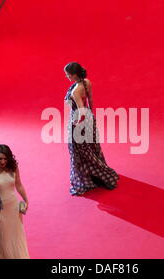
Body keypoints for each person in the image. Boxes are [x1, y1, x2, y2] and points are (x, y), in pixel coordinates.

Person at [63, 62, 119, 196]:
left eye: (68, 74)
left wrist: (76, 125)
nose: (67, 76)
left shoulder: (76, 91)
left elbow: (80, 110)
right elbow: (90, 101)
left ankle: (88, 177)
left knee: (80, 151)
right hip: (89, 118)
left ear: (74, 74)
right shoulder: (87, 82)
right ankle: (100, 173)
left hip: (79, 121)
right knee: (91, 148)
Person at [0, 144, 30, 259]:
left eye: (5, 158)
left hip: (13, 208)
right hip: (0, 209)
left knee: (16, 234)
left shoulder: (13, 167)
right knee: (4, 236)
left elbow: (19, 185)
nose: (3, 161)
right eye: (0, 158)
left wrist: (26, 200)